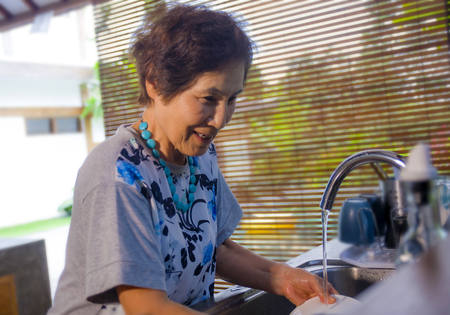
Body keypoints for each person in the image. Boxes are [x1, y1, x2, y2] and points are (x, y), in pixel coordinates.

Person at [48, 4, 337, 315]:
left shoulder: (199, 154)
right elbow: (145, 308)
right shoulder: (119, 173)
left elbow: (214, 248)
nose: (221, 119)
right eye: (208, 99)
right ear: (155, 83)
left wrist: (283, 278)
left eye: (232, 99)